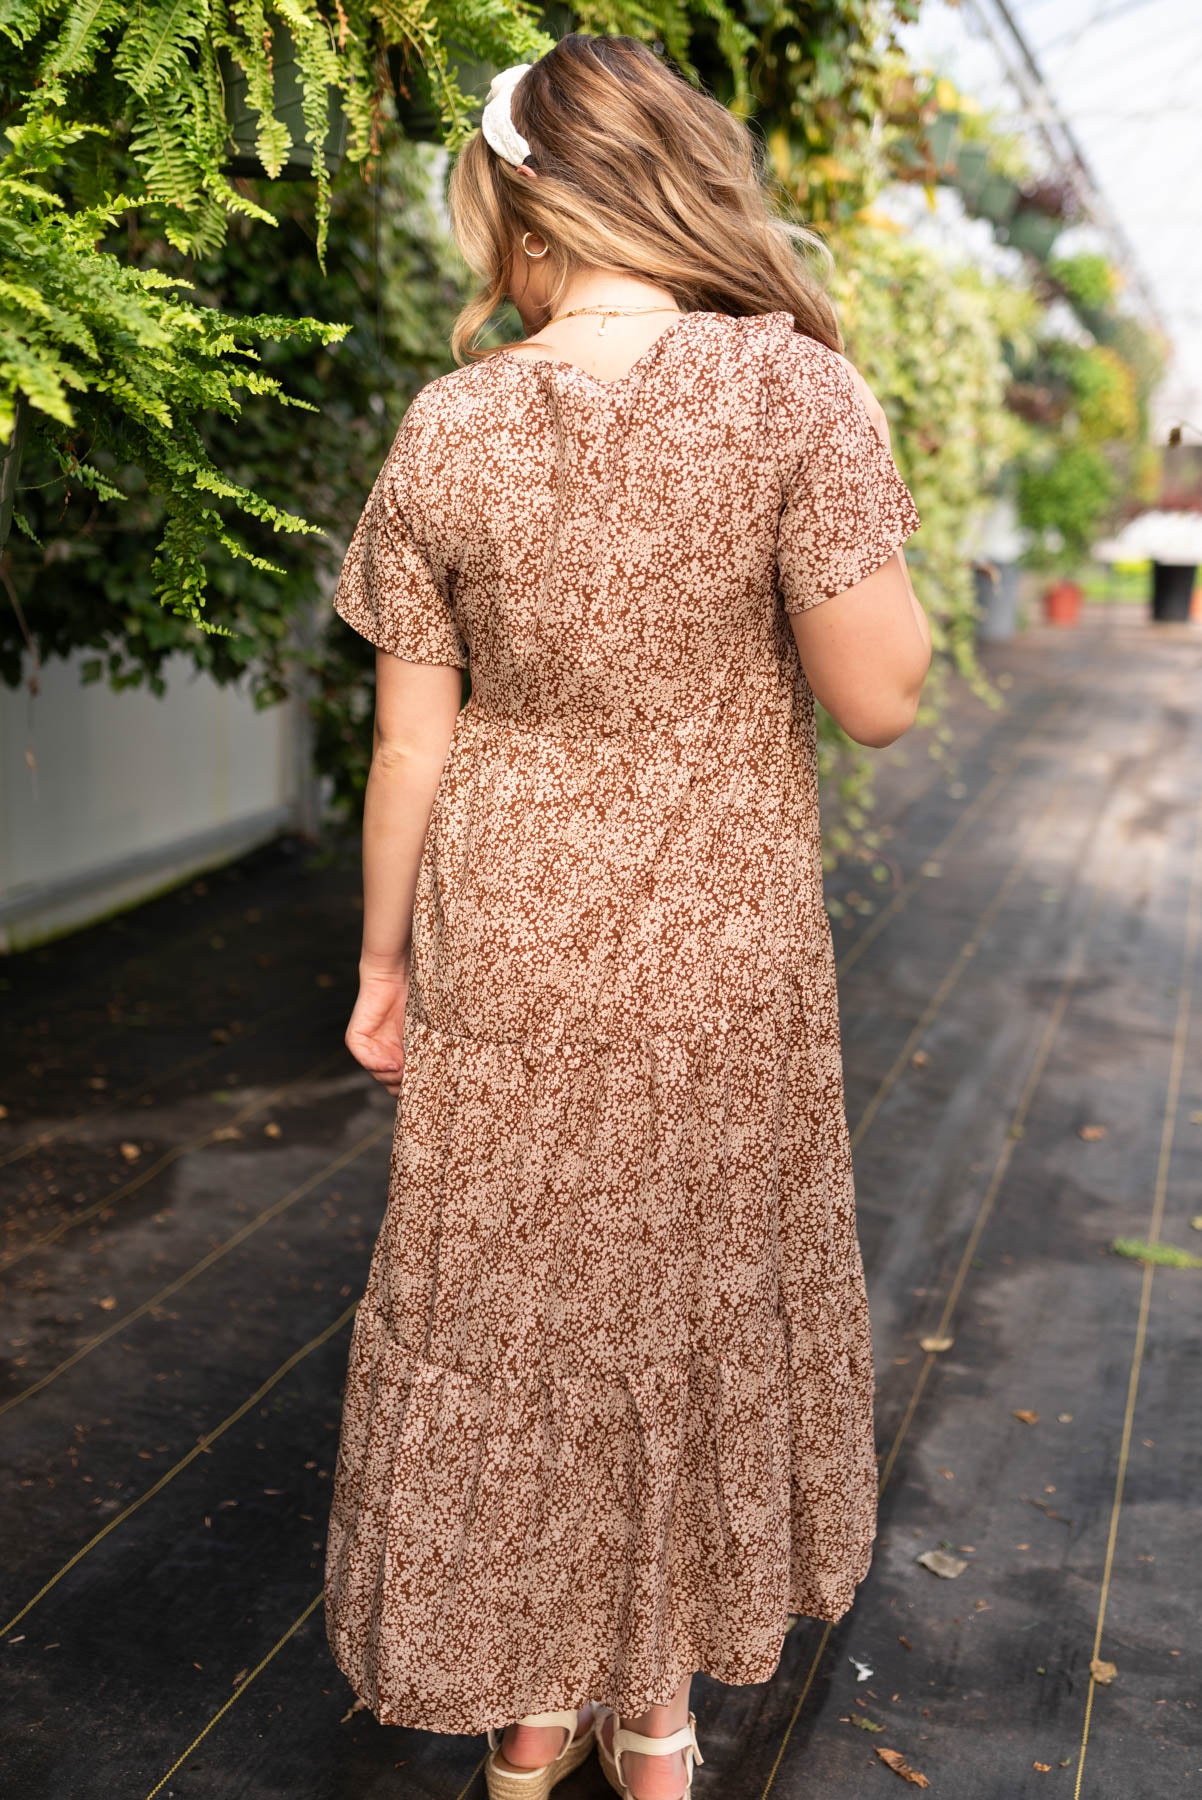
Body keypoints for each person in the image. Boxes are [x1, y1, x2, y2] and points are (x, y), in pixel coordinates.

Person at [324, 31, 929, 1800]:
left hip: (503, 928)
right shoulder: (790, 392)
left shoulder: (451, 420)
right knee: (685, 1298)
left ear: (519, 209)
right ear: (682, 179)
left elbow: (406, 743)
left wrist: (381, 963)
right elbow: (880, 692)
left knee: (517, 1311)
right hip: (715, 934)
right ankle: (652, 1716)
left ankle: (526, 1719)